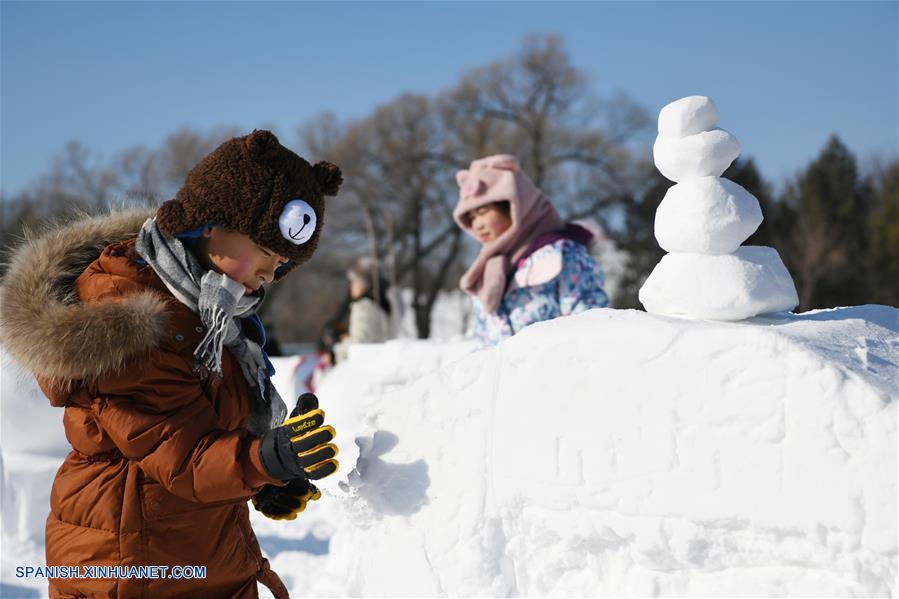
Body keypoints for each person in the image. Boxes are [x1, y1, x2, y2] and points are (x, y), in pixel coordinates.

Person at [0, 130, 343, 598]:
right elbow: (181, 455)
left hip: (202, 552)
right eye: (266, 252)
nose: (271, 273)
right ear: (211, 223)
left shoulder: (213, 312)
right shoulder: (128, 316)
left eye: (282, 264)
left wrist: (264, 477)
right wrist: (263, 459)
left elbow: (207, 429)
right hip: (130, 565)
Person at [453, 154, 609, 347]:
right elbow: (483, 339)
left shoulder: (560, 255)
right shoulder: (485, 273)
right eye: (471, 217)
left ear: (515, 207)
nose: (477, 224)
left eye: (483, 212)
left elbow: (591, 325)